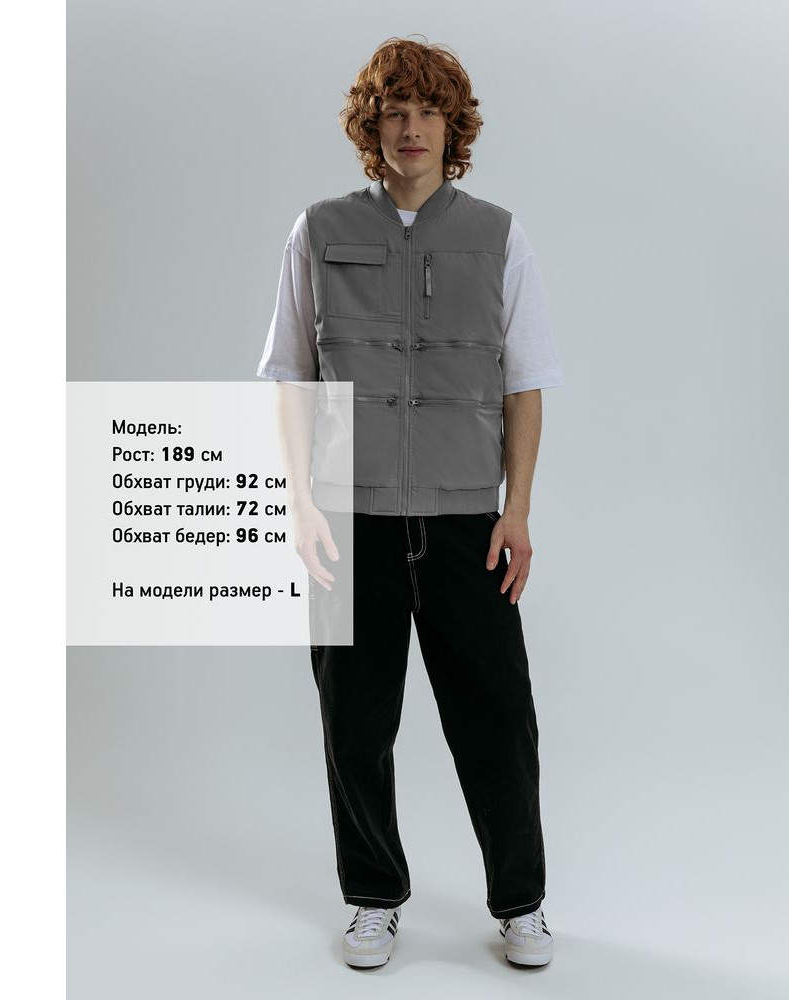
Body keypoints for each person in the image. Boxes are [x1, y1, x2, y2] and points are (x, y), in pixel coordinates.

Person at [256, 35, 564, 969]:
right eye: (394, 111)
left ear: (453, 127)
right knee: (354, 724)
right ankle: (372, 898)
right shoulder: (316, 231)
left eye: (429, 111)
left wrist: (517, 510)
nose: (411, 127)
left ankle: (520, 903)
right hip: (347, 522)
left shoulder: (500, 236)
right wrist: (300, 503)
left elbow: (526, 381)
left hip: (468, 521)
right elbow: (290, 377)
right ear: (371, 126)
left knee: (497, 719)